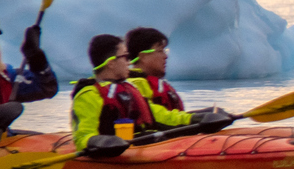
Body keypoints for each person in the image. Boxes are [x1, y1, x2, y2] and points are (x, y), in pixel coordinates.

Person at [71, 34, 214, 147]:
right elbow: (83, 136)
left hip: (142, 144)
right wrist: (99, 142)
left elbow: (161, 115)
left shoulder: (130, 89)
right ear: (111, 64)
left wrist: (195, 119)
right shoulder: (89, 94)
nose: (129, 62)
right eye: (125, 57)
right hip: (115, 152)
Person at [124, 27, 184, 113]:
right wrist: (189, 119)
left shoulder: (160, 84)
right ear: (143, 57)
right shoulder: (135, 86)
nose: (165, 56)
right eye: (160, 51)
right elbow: (153, 115)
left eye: (165, 51)